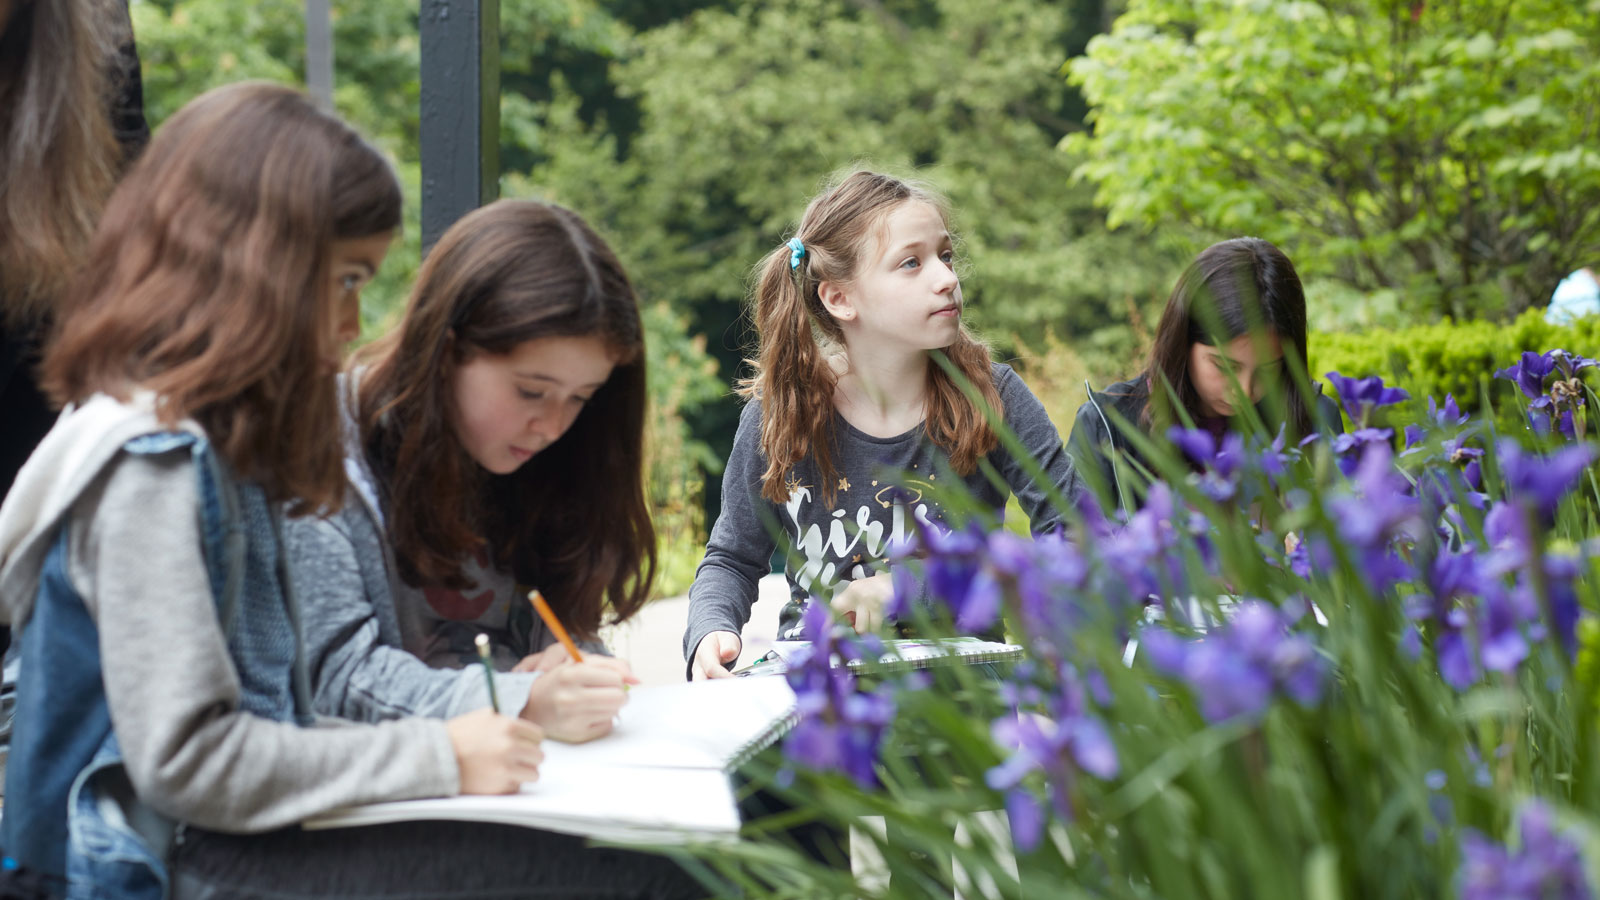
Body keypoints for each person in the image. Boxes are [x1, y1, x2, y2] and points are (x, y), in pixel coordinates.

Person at [0, 82, 698, 900]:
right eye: (344, 281)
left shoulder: (225, 448)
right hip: (154, 862)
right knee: (658, 869)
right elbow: (189, 762)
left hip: (253, 831)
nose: (353, 323)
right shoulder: (153, 464)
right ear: (251, 265)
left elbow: (278, 722)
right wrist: (441, 757)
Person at [683, 171, 1083, 681]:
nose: (946, 278)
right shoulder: (778, 413)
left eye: (946, 255)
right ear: (839, 300)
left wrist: (906, 588)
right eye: (911, 263)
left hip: (963, 713)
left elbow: (1074, 538)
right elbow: (731, 559)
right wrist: (710, 631)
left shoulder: (993, 396)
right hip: (820, 707)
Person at [286, 199, 646, 744]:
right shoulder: (321, 451)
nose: (552, 425)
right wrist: (520, 701)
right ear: (446, 349)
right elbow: (335, 677)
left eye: (581, 398)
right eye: (531, 390)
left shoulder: (550, 466)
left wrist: (577, 669)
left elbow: (556, 638)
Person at [1067, 237, 1343, 514]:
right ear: (1182, 342)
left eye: (1269, 369)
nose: (1245, 391)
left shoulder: (1314, 418)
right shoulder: (1106, 427)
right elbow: (1075, 546)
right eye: (1225, 367)